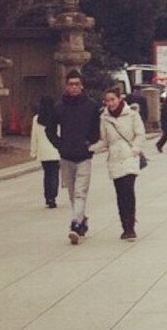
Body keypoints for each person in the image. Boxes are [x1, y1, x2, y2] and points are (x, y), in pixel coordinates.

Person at [45, 69, 101, 244]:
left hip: (84, 155)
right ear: (66, 86)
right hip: (66, 156)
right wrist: (59, 144)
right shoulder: (59, 107)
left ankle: (75, 225)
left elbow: (97, 128)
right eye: (71, 84)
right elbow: (49, 129)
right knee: (72, 193)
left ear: (82, 86)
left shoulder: (91, 106)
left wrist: (90, 143)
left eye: (77, 84)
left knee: (80, 192)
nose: (74, 87)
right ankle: (81, 219)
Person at [91, 87, 147, 240]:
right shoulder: (104, 118)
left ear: (119, 99)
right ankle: (125, 225)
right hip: (114, 158)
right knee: (120, 193)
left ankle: (130, 226)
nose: (110, 103)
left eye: (113, 99)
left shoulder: (132, 114)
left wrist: (135, 149)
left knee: (128, 190)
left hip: (129, 156)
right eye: (107, 100)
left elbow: (140, 134)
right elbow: (104, 140)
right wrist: (90, 148)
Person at [29, 95, 61, 208]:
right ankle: (53, 196)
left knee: (47, 174)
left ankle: (48, 197)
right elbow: (60, 133)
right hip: (55, 150)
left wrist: (33, 151)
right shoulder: (56, 116)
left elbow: (34, 136)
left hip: (43, 151)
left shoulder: (37, 119)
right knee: (54, 175)